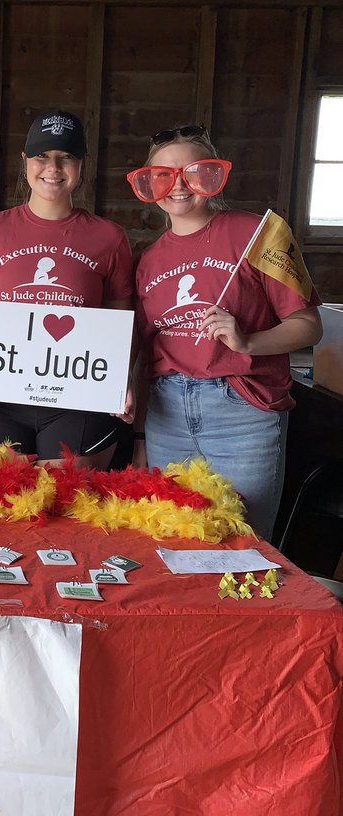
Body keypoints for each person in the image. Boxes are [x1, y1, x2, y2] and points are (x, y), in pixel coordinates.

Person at [130, 123, 322, 539]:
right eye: (164, 176)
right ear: (150, 183)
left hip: (243, 409)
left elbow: (308, 326)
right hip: (167, 414)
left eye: (193, 173)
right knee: (174, 539)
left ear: (212, 177)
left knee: (244, 544)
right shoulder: (147, 260)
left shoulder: (260, 233)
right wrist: (142, 433)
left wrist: (248, 341)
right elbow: (146, 355)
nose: (179, 187)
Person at [0, 110, 134, 466]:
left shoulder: (109, 238)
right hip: (0, 400)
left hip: (78, 400)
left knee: (67, 507)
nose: (53, 167)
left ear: (81, 165)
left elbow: (121, 324)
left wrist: (120, 379)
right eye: (41, 156)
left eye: (66, 156)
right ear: (25, 162)